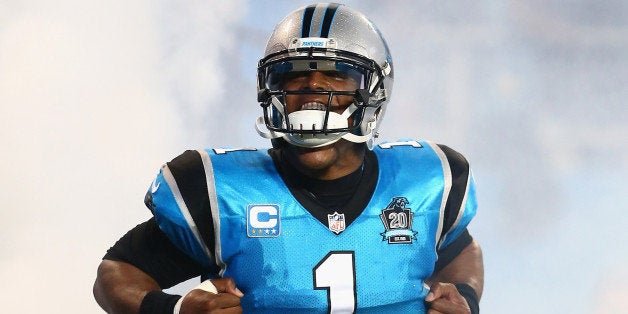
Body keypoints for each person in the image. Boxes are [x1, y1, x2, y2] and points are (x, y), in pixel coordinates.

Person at [93, 3, 484, 314]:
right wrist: (174, 309)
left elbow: (462, 249)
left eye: (335, 75)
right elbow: (116, 271)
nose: (313, 86)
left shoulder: (426, 184)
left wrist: (463, 295)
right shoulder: (220, 193)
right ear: (271, 88)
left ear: (371, 93)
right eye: (294, 75)